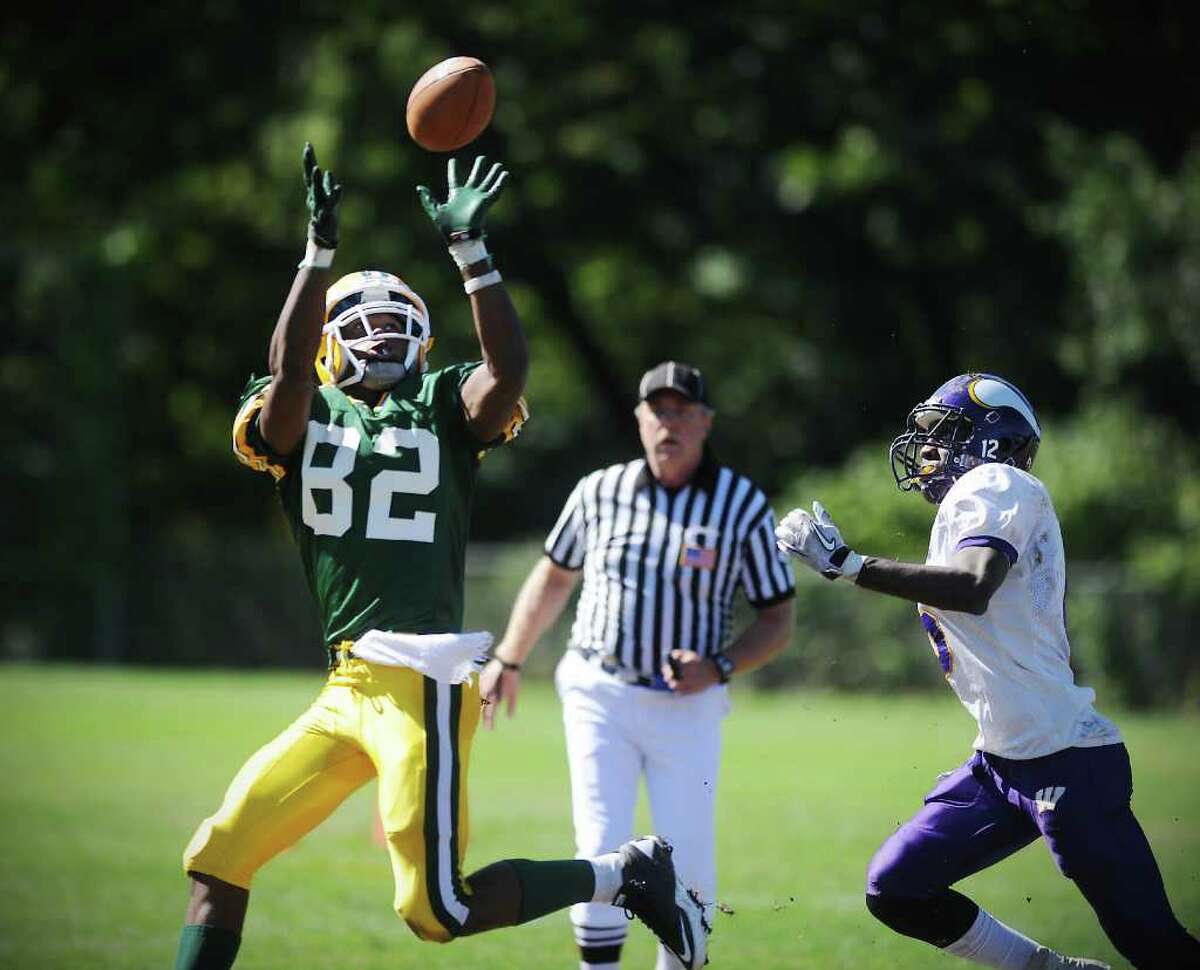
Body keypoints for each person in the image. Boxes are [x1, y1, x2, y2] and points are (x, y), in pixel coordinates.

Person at [173, 145, 709, 970]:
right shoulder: (295, 408)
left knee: (436, 910)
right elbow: (285, 377)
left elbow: (508, 372)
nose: (383, 329)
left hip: (419, 674)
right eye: (363, 321)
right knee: (219, 856)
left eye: (397, 320)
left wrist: (473, 258)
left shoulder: (442, 400)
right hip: (348, 682)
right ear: (325, 339)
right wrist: (316, 256)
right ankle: (627, 870)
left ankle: (624, 873)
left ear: (422, 340)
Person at [775, 373, 1200, 970]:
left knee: (1157, 948)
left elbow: (975, 586)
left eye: (943, 434)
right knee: (896, 887)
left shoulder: (996, 482)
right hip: (1001, 763)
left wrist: (849, 565)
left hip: (1066, 759)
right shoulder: (973, 499)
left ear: (994, 439)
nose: (927, 450)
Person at [481, 361, 796, 970]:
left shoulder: (742, 504)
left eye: (681, 411)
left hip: (689, 708)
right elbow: (552, 579)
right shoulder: (599, 490)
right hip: (600, 690)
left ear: (705, 423)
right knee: (599, 846)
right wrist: (509, 657)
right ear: (638, 419)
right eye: (657, 410)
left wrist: (721, 665)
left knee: (691, 862)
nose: (667, 423)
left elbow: (778, 619)